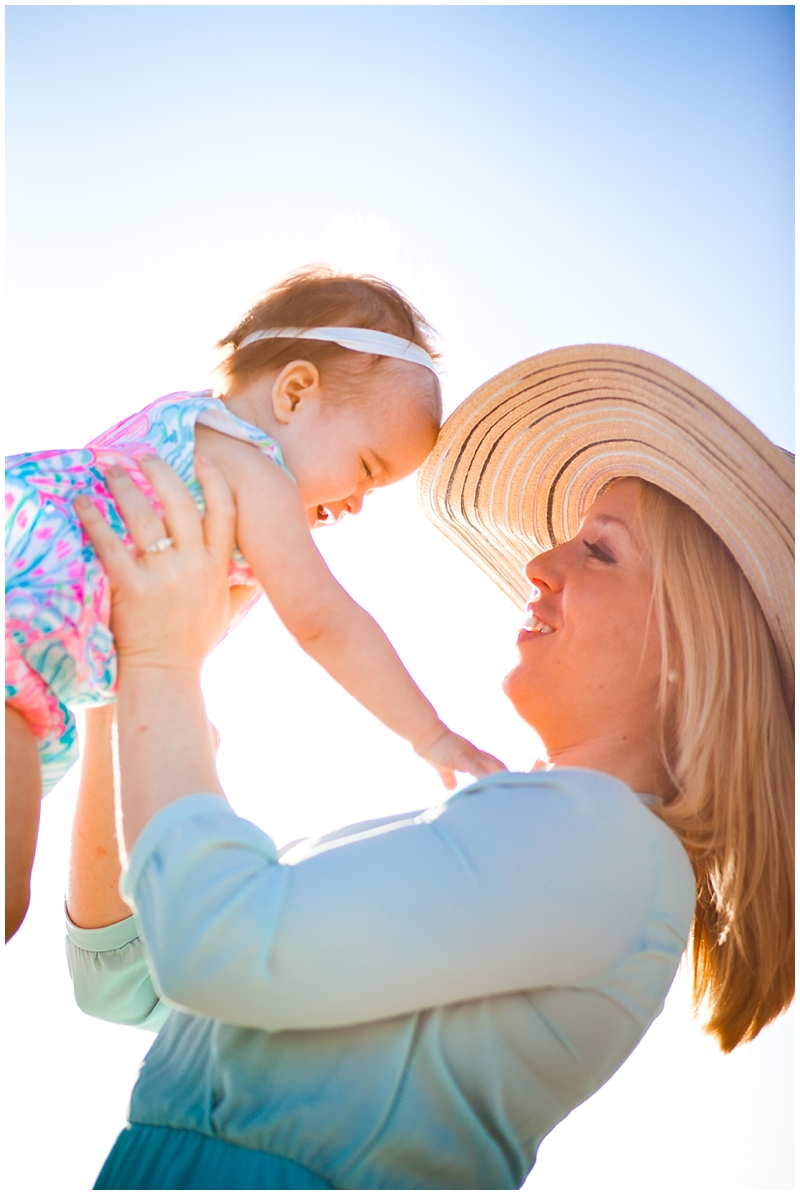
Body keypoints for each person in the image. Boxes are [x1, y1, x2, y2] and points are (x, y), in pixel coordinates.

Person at [65, 346, 793, 1190]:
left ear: (690, 645)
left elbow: (207, 945)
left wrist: (161, 657)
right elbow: (127, 974)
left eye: (600, 552)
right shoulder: (542, 838)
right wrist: (126, 679)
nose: (539, 564)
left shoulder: (606, 846)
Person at [5, 269, 503, 940]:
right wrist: (430, 732)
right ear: (296, 392)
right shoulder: (251, 468)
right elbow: (326, 621)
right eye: (366, 468)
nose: (356, 504)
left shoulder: (174, 424)